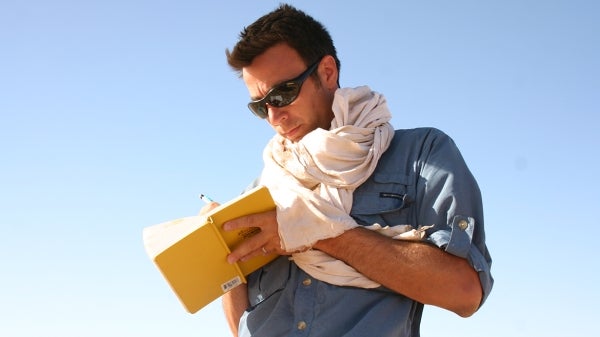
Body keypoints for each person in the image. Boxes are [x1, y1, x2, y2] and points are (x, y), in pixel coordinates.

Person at [203, 4, 493, 336]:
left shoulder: (421, 156)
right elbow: (242, 325)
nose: (273, 117)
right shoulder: (263, 189)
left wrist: (319, 232)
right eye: (259, 105)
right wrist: (221, 252)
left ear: (327, 72)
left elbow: (464, 292)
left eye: (282, 93)